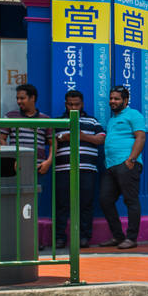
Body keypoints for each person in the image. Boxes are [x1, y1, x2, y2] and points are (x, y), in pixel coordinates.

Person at [53, 90, 105, 250]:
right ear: (65, 104)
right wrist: (62, 137)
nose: (74, 107)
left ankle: (84, 237)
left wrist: (83, 136)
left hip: (87, 169)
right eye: (70, 104)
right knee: (61, 203)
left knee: (86, 203)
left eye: (77, 104)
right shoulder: (58, 121)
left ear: (83, 104)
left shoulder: (92, 121)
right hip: (63, 169)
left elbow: (102, 138)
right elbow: (51, 140)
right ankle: (59, 238)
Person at [99, 85, 147, 250]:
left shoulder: (134, 115)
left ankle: (131, 238)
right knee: (105, 200)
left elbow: (140, 138)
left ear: (125, 100)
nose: (112, 101)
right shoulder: (112, 119)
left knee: (131, 201)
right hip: (111, 165)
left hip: (127, 164)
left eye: (117, 98)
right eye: (111, 98)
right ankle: (118, 236)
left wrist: (131, 160)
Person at [0, 83, 55, 176]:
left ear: (32, 98)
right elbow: (1, 139)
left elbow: (53, 143)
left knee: (37, 191)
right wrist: (11, 159)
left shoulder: (45, 119)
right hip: (15, 167)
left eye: (22, 98)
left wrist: (49, 162)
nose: (18, 101)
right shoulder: (10, 116)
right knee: (15, 191)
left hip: (39, 167)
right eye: (17, 98)